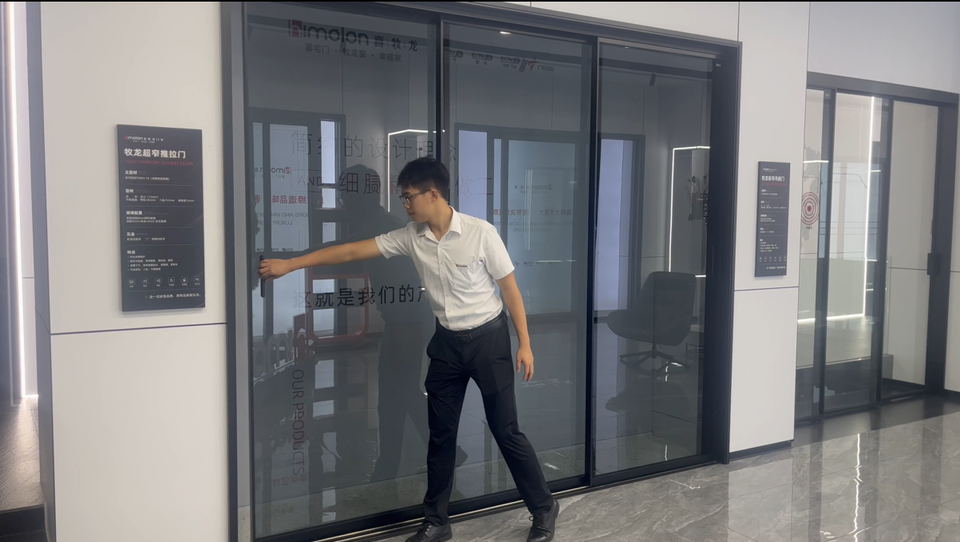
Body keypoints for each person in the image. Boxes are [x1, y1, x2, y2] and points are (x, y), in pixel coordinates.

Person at [260, 158, 560, 542]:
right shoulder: (410, 236)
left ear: (432, 194)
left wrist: (525, 344)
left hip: (489, 340)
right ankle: (437, 522)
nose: (404, 204)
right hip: (447, 344)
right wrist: (292, 264)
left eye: (408, 197)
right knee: (440, 435)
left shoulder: (480, 233)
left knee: (505, 430)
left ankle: (543, 506)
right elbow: (351, 252)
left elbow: (510, 290)